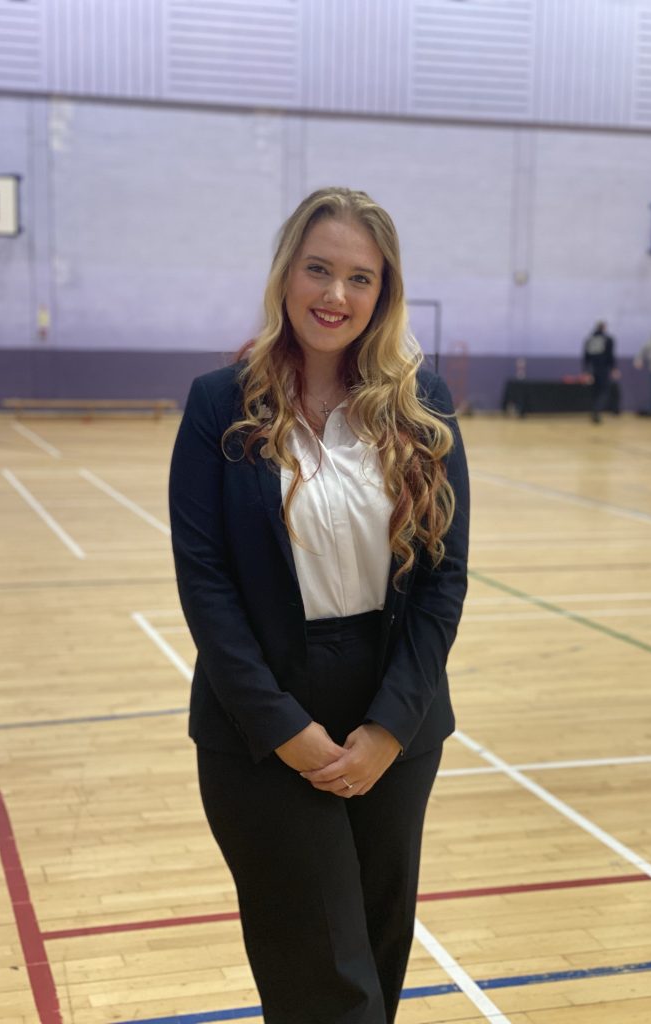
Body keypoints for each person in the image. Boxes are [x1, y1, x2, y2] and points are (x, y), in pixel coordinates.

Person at [169, 186, 469, 1024]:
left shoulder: (424, 405)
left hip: (395, 716)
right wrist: (285, 731)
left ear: (384, 292)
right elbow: (205, 583)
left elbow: (443, 579)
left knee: (375, 957)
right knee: (325, 980)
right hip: (261, 724)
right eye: (318, 269)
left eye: (360, 278)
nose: (336, 295)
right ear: (285, 275)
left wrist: (389, 730)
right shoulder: (220, 403)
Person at [582, 320, 619, 423]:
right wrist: (614, 368)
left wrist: (586, 371)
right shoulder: (608, 339)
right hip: (603, 369)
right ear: (604, 328)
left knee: (595, 392)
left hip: (592, 369)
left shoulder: (589, 340)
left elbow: (586, 357)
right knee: (604, 391)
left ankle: (594, 411)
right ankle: (596, 411)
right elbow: (610, 356)